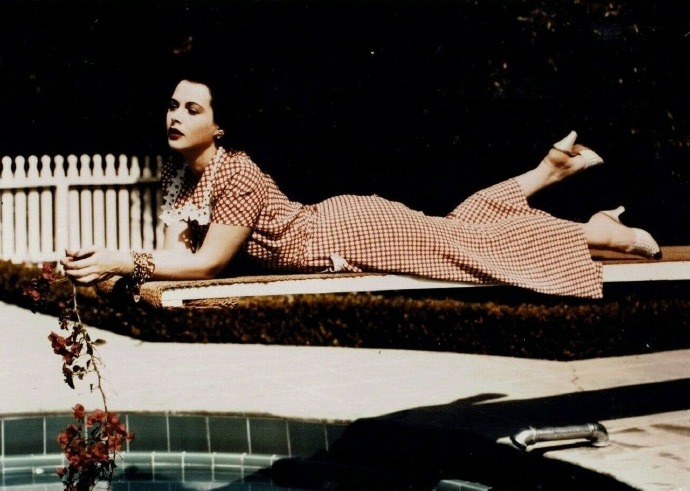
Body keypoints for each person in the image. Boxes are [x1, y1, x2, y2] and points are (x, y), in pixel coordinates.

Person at [62, 77, 661, 299]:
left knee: (476, 249)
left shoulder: (237, 173)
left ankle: (595, 230)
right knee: (462, 229)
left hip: (349, 231)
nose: (175, 116)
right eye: (171, 105)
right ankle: (548, 175)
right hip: (333, 228)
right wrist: (121, 264)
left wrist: (122, 260)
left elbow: (206, 265)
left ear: (219, 127)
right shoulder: (180, 175)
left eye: (191, 109)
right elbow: (175, 256)